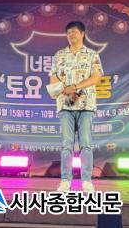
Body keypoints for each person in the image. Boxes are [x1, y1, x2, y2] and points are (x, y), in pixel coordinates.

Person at [48, 21, 104, 193]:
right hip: (65, 105)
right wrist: (66, 90)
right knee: (67, 144)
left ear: (82, 34)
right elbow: (53, 77)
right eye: (68, 33)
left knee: (86, 144)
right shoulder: (59, 55)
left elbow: (96, 76)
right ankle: (66, 181)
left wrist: (76, 87)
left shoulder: (92, 54)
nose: (71, 35)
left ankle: (86, 181)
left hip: (86, 104)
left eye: (74, 32)